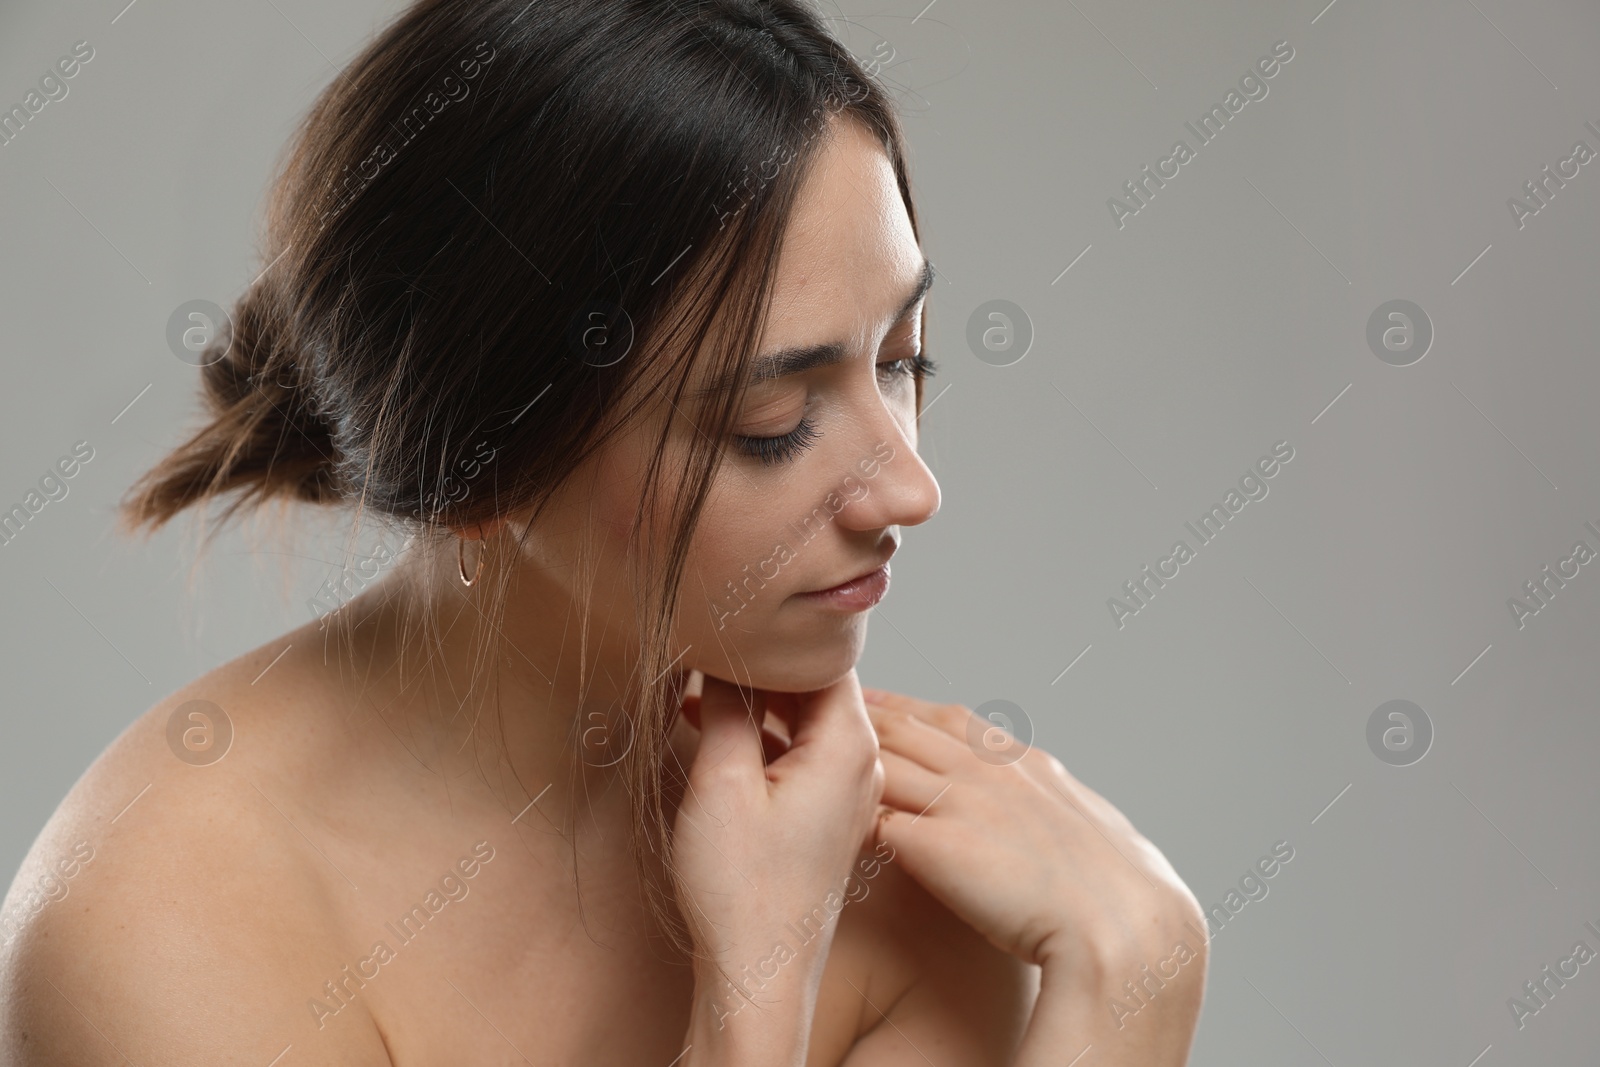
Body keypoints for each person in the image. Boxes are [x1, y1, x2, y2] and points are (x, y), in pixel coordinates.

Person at [0, 1, 1207, 1062]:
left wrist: (1137, 970)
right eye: (772, 422)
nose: (909, 488)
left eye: (902, 359)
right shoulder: (165, 926)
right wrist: (753, 998)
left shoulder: (905, 892)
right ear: (484, 472)